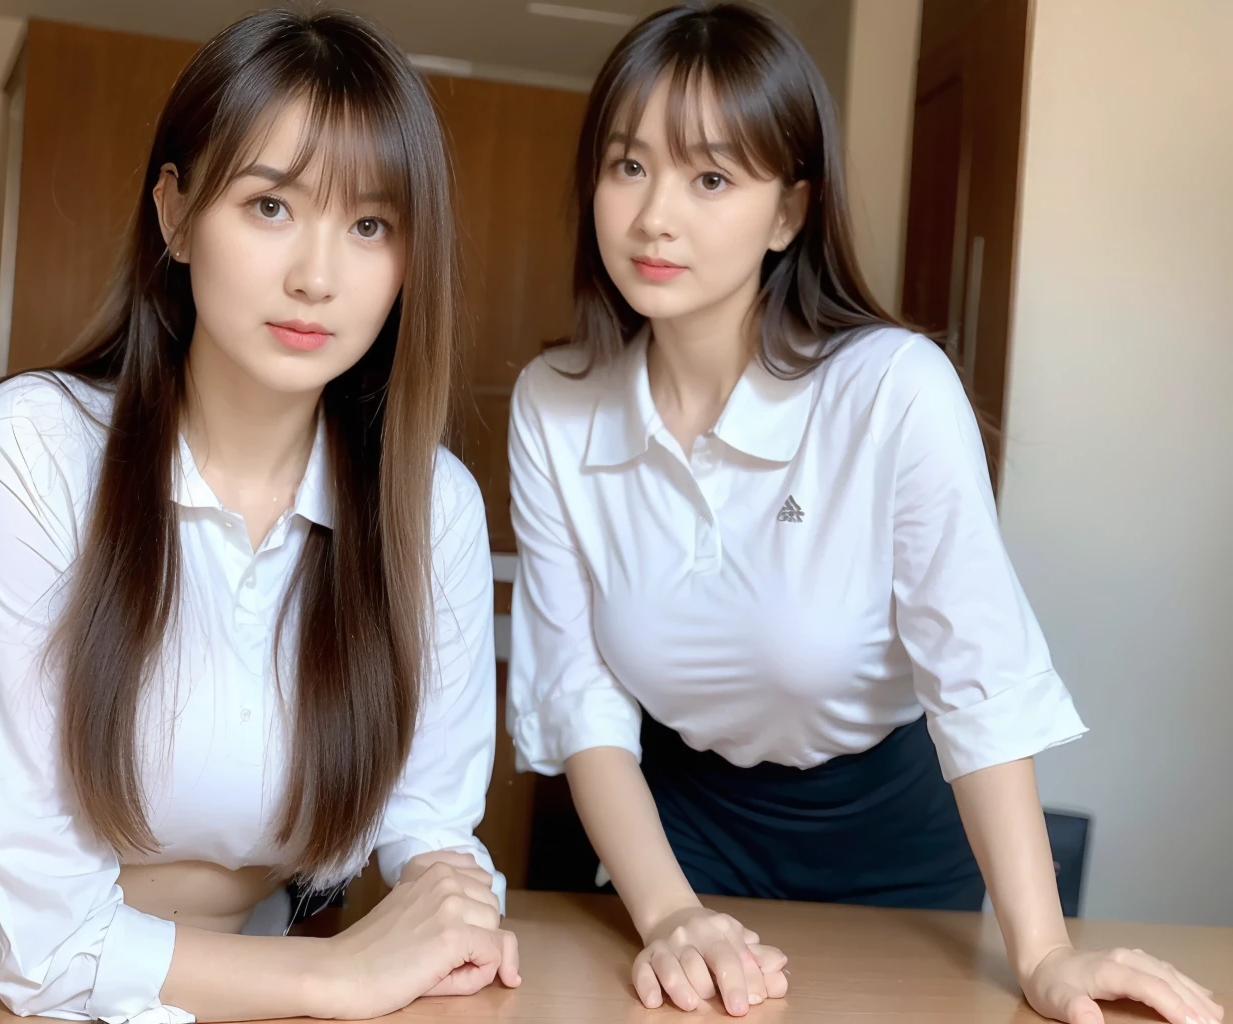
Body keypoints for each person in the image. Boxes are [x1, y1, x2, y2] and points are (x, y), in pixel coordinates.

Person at [0, 10, 520, 1022]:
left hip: (217, 997)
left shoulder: (430, 508)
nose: (317, 274)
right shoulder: (34, 450)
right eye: (270, 205)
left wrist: (453, 906)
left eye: (370, 225)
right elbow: (41, 949)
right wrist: (341, 974)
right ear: (175, 211)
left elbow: (431, 819)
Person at [505, 5, 1223, 1024]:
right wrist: (667, 912)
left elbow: (975, 675)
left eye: (710, 177)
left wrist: (1048, 951)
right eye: (628, 165)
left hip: (888, 828)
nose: (654, 215)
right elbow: (581, 692)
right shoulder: (554, 402)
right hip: (675, 827)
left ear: (789, 213)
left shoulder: (893, 389)